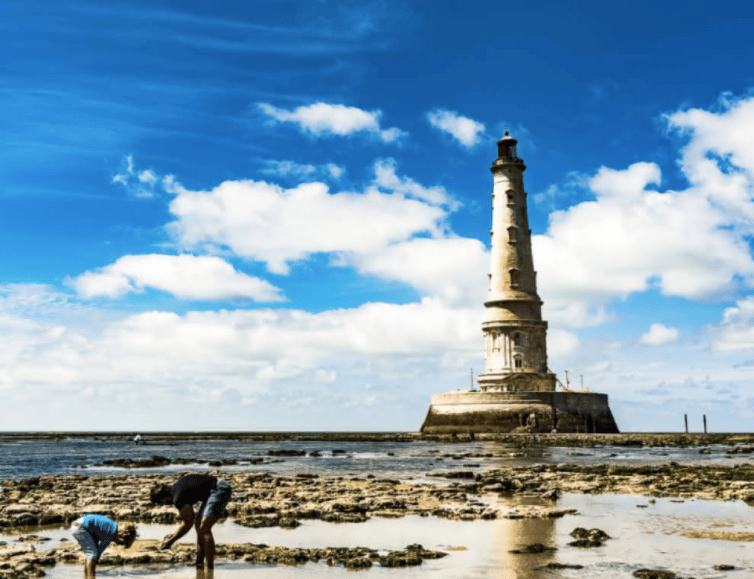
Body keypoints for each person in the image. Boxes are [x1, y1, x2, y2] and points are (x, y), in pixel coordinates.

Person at [150, 474, 232, 570]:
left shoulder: (177, 498)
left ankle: (210, 568)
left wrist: (170, 541)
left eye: (161, 503)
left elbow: (188, 523)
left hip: (219, 489)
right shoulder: (176, 489)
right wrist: (172, 537)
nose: (163, 505)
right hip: (212, 491)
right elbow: (191, 520)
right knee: (199, 525)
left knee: (204, 527)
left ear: (163, 498)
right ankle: (199, 563)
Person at [71, 514, 137, 578]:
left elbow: (96, 546)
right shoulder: (111, 532)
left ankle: (85, 577)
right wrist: (94, 565)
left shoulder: (111, 527)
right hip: (81, 527)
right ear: (122, 537)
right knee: (92, 554)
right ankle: (91, 577)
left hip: (78, 525)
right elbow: (99, 552)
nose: (118, 544)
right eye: (121, 543)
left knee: (90, 555)